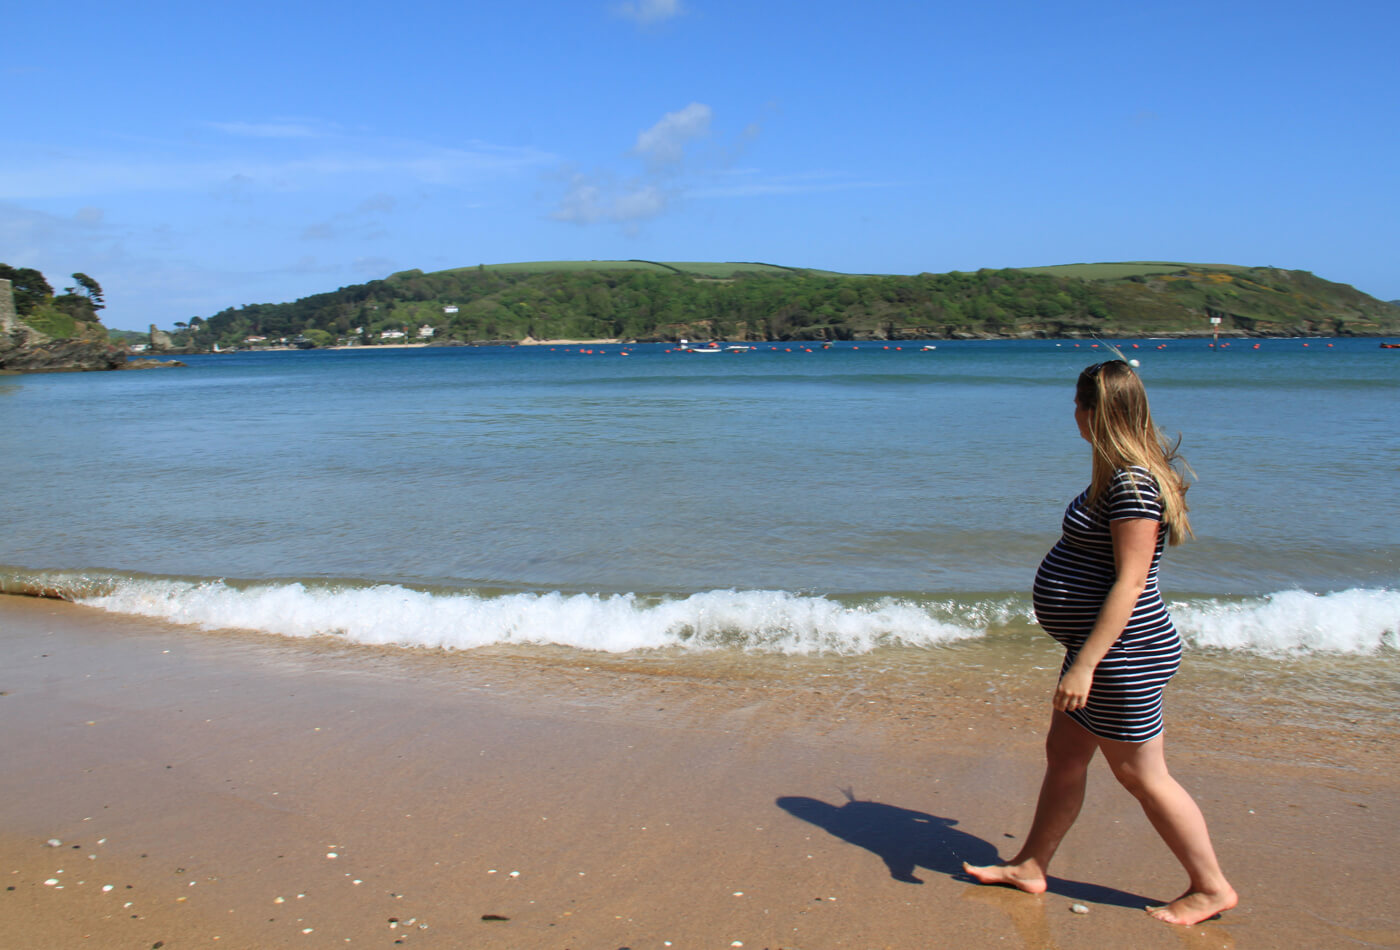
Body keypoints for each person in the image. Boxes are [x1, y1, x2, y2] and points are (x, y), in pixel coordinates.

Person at [964, 359, 1237, 926]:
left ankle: (1210, 887)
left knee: (1142, 774)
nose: (1074, 414)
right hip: (1099, 648)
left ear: (1097, 412)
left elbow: (1131, 583)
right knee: (1065, 756)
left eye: (1078, 404)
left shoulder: (1133, 485)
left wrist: (1085, 665)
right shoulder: (1117, 475)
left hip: (1121, 654)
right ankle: (1030, 865)